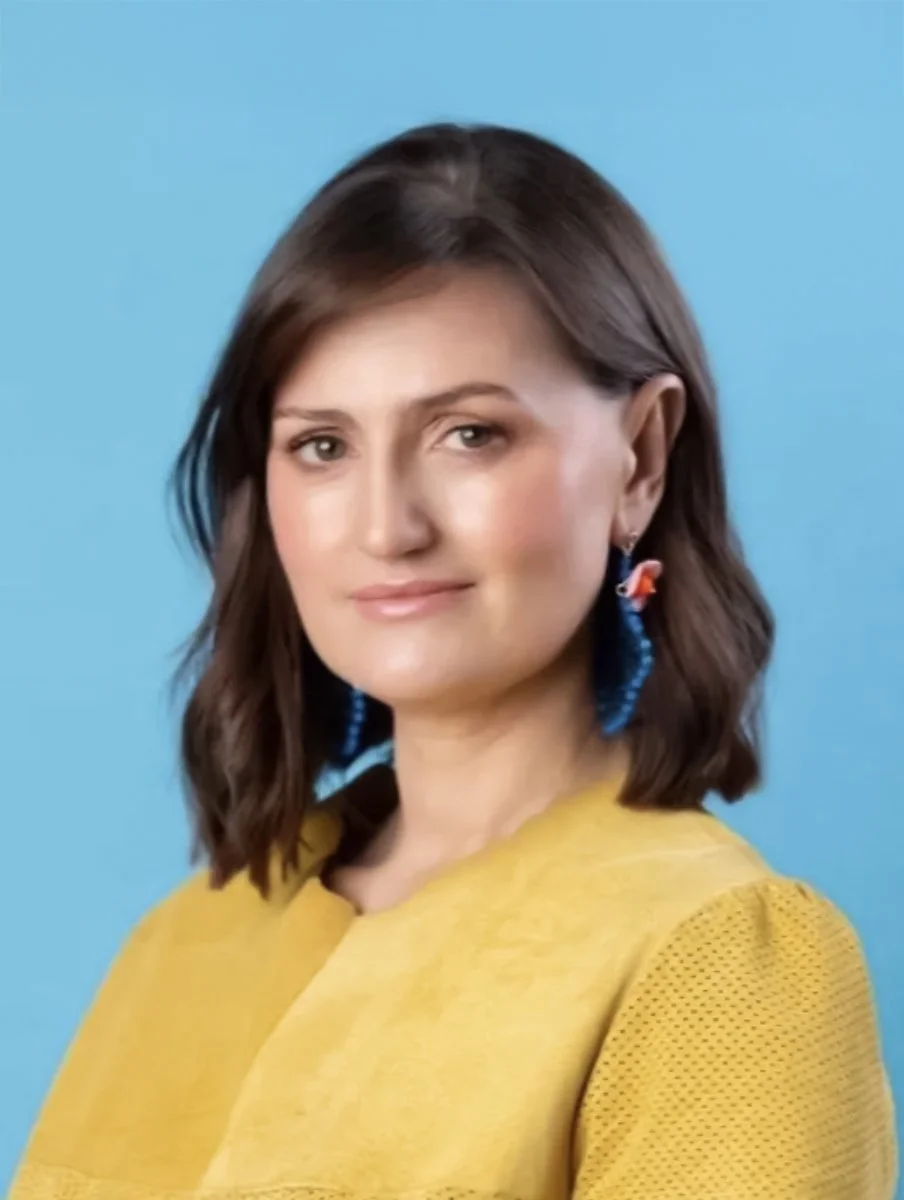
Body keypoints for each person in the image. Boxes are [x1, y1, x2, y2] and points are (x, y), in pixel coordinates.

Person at [12, 123, 897, 1200]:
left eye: (469, 434)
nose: (386, 526)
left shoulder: (721, 965)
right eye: (321, 446)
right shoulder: (193, 935)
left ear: (640, 458)